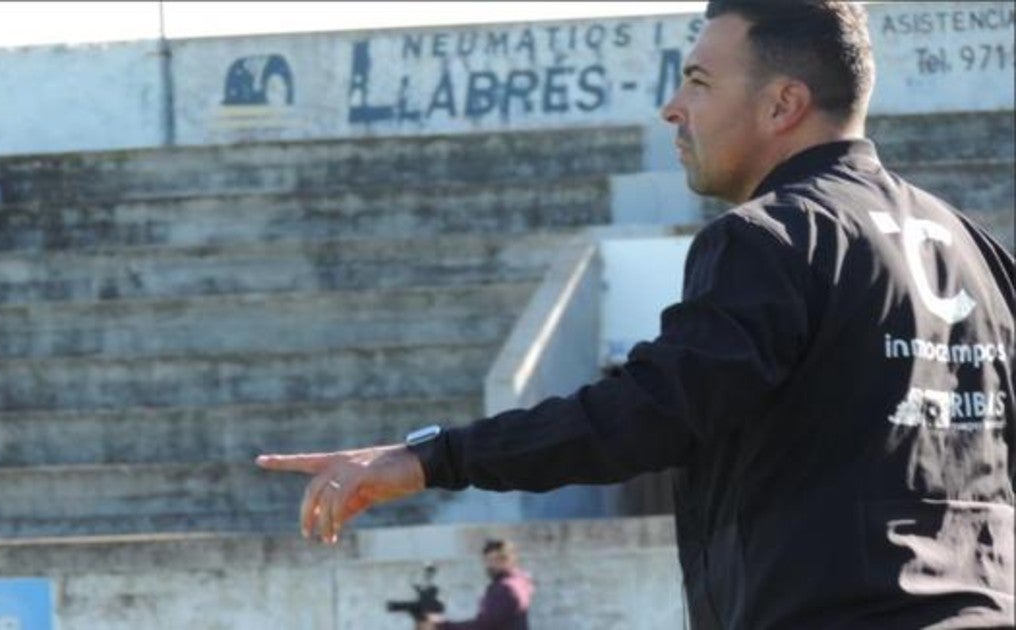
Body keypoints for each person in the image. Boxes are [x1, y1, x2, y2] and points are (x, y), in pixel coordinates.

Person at [258, 1, 1016, 627]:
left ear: (782, 103)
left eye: (698, 82)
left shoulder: (770, 237)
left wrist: (430, 457)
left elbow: (645, 413)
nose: (673, 107)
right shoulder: (975, 247)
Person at [416, 539, 534, 630]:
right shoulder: (518, 581)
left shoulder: (505, 588)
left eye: (496, 560)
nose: (490, 566)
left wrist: (441, 625)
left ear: (509, 560)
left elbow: (483, 625)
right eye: (488, 561)